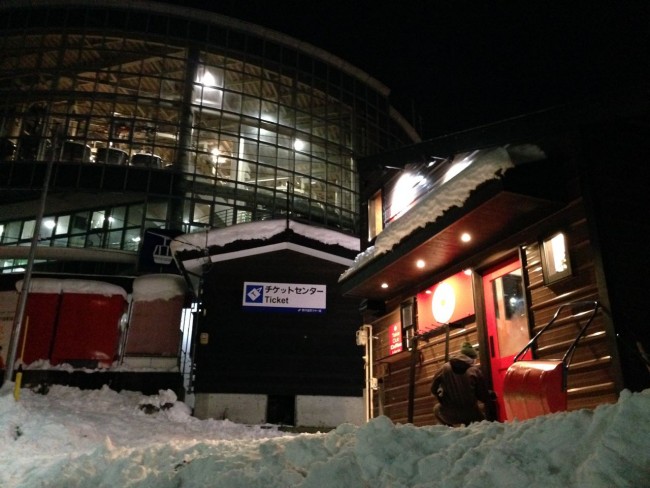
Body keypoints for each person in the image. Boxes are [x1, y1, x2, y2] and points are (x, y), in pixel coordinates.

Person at [431, 341, 496, 426]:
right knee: (483, 424)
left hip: (449, 414)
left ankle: (451, 432)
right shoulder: (474, 371)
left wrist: (443, 399)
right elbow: (483, 396)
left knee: (436, 409)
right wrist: (491, 395)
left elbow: (433, 389)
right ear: (472, 358)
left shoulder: (444, 368)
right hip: (471, 415)